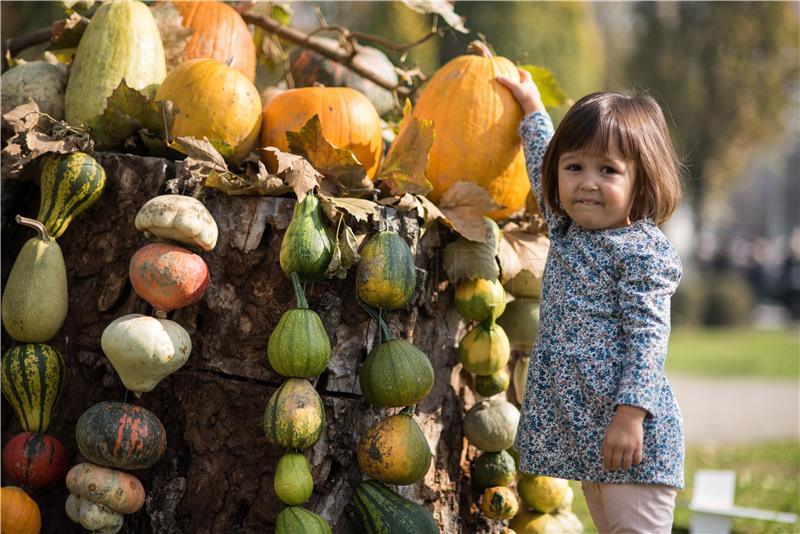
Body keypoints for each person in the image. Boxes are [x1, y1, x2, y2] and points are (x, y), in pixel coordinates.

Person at [497, 70, 684, 533]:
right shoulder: (567, 231)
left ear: (642, 181)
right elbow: (544, 161)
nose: (587, 183)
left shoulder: (640, 251)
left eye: (608, 170)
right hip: (591, 438)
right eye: (575, 167)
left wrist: (630, 416)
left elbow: (648, 338)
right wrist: (531, 109)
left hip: (633, 442)